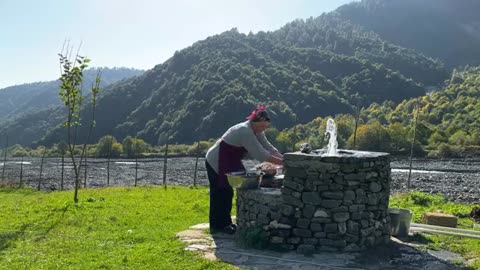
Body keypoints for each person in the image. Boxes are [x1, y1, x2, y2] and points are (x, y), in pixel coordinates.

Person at [205, 105, 283, 234]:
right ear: (254, 122)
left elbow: (268, 147)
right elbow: (261, 154)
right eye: (262, 126)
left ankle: (226, 223)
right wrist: (283, 163)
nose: (263, 129)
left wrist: (284, 158)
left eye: (265, 126)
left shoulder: (257, 131)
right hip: (217, 159)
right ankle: (218, 225)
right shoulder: (244, 131)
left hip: (231, 159)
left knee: (228, 191)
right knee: (220, 191)